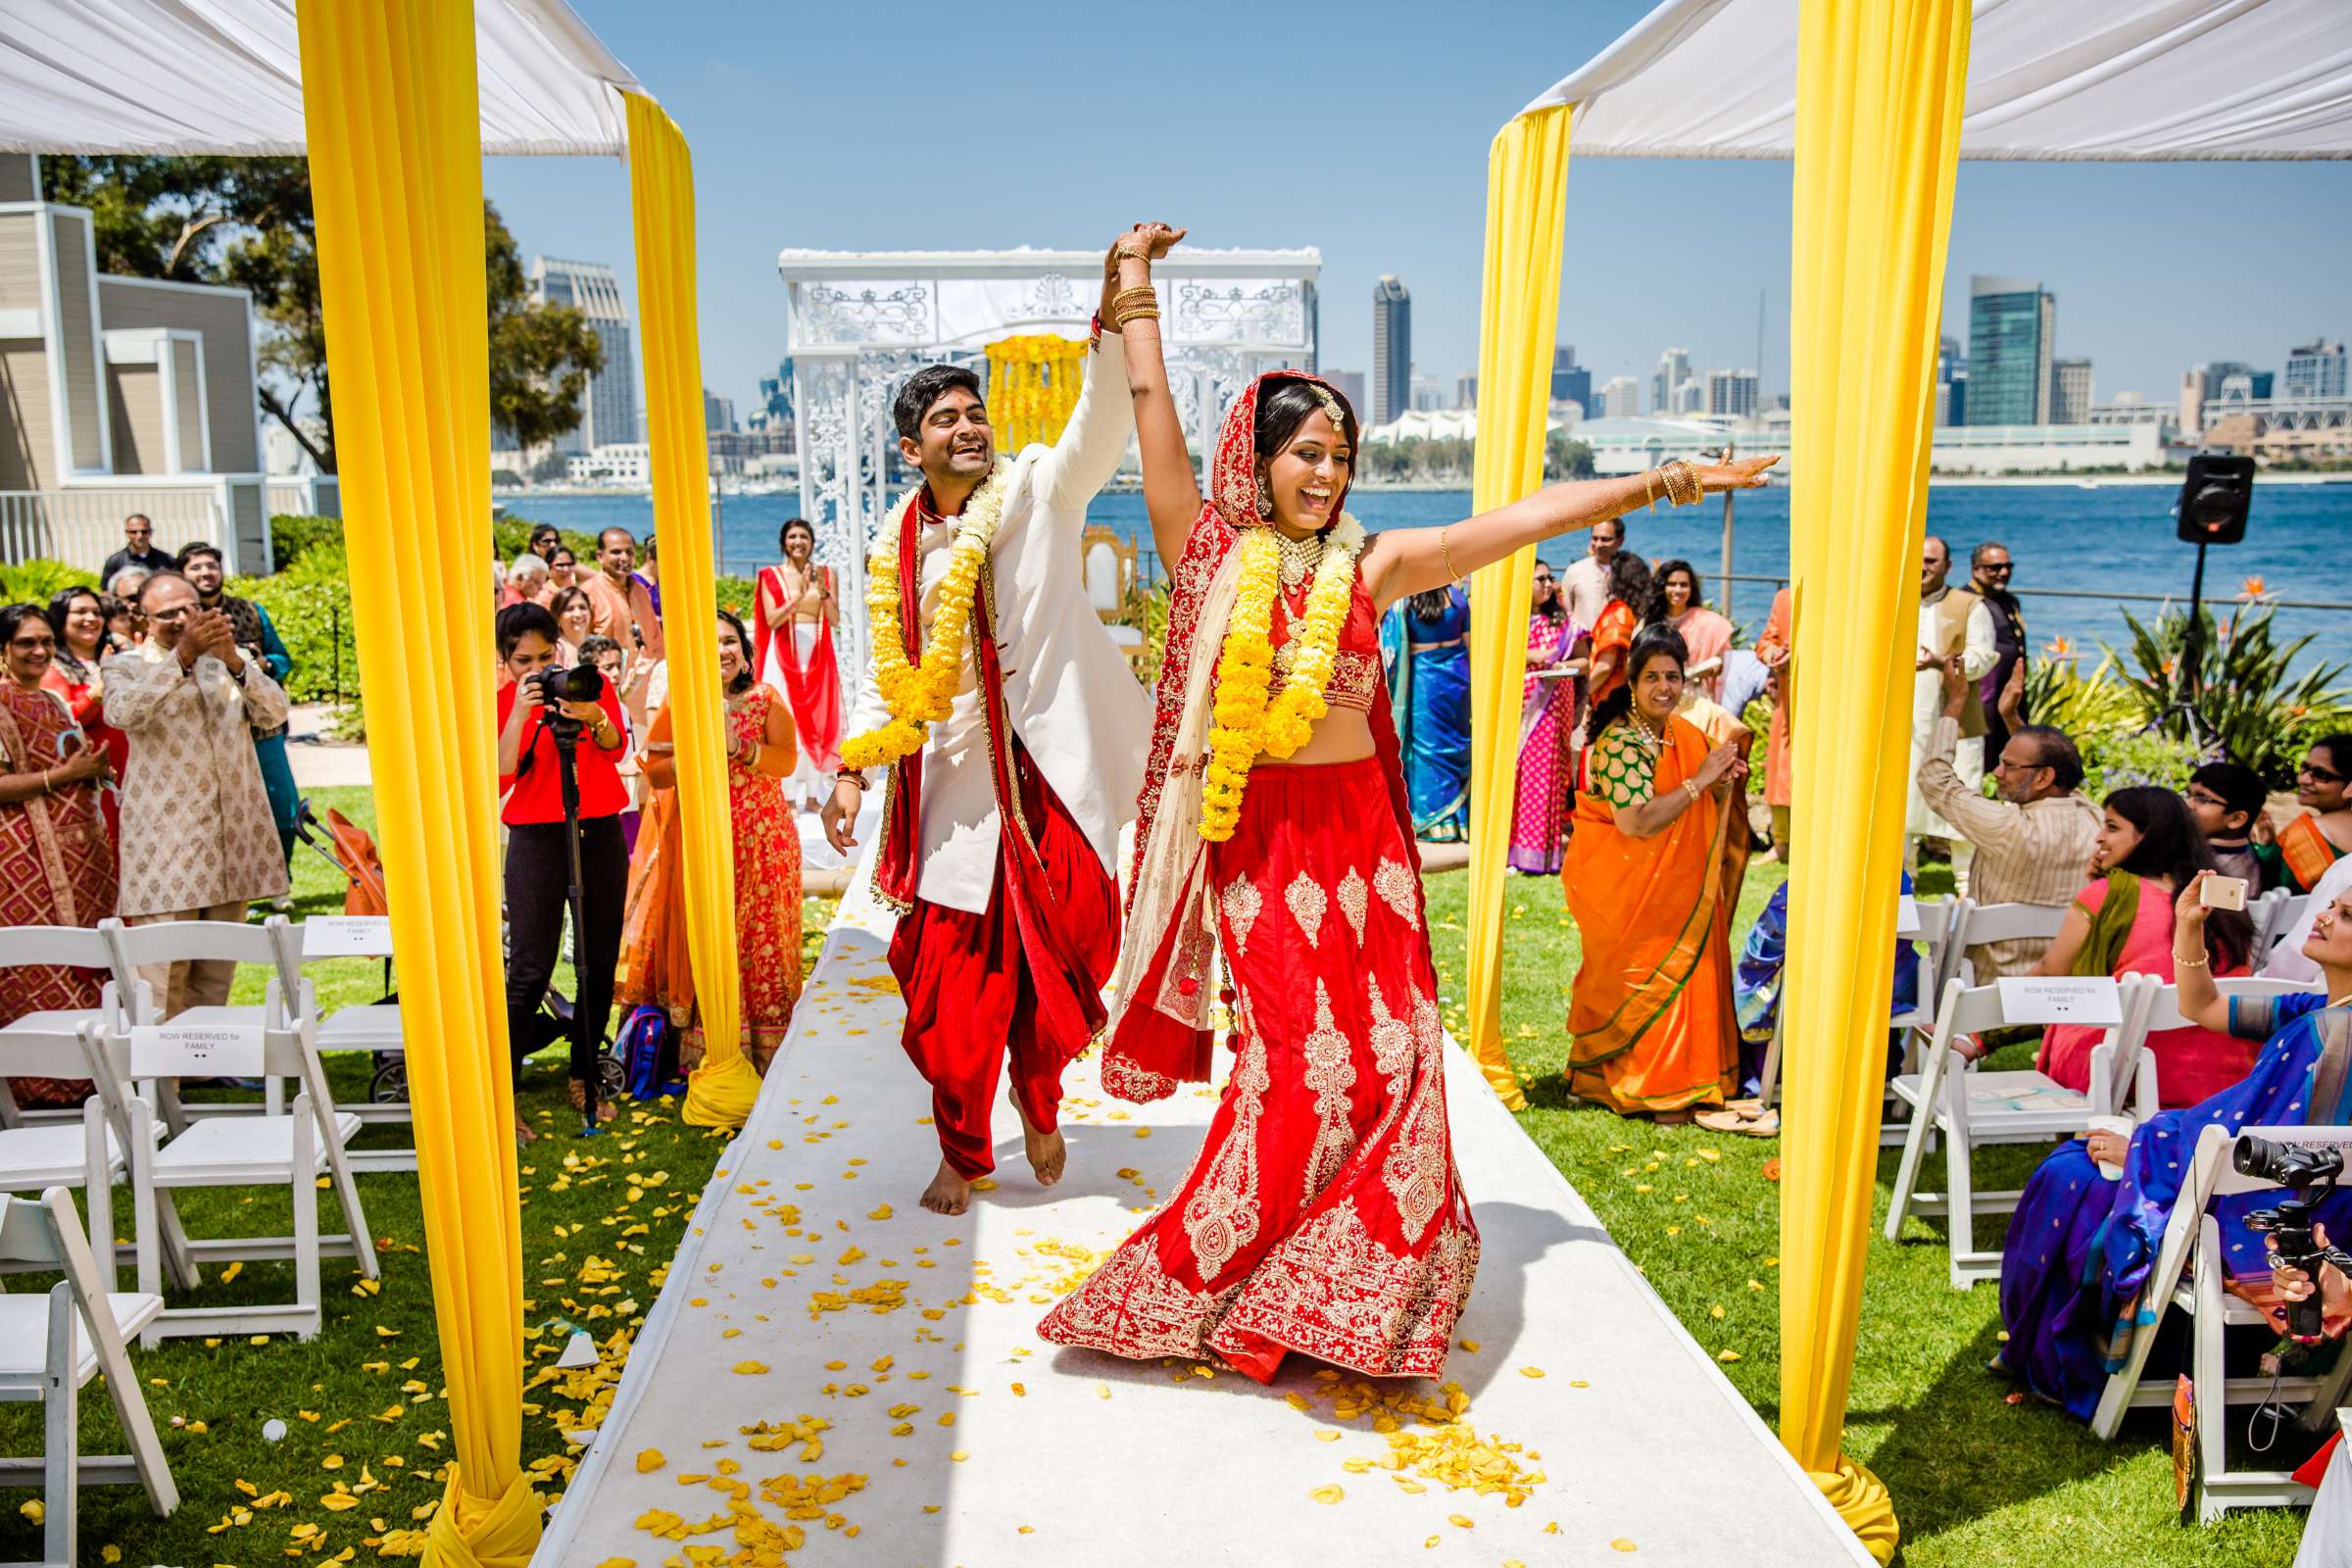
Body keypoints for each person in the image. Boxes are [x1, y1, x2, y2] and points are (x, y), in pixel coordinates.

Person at [1043, 222, 1776, 1383]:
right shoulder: (1206, 552)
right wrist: (1132, 287)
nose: (1328, 473)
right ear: (1259, 459)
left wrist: (1665, 481)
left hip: (1362, 845)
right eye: (1307, 454)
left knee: (1398, 1049)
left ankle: (1357, 1283)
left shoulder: (1371, 567)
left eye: (1342, 453)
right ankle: (1241, 1268)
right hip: (1261, 846)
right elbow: (1151, 408)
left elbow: (1523, 520)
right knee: (1296, 1063)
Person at [819, 241, 1149, 1223]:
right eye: (943, 419)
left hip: (1049, 789)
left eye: (975, 412)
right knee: (948, 1004)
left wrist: (1115, 304)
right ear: (910, 449)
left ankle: (1038, 1101)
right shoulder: (893, 552)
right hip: (954, 805)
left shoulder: (1042, 490)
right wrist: (849, 768)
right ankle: (964, 1153)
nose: (967, 427)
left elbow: (1104, 420)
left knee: (1065, 967)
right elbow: (887, 682)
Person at [1995, 874, 2352, 1422]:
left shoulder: (2325, 1035)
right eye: (2331, 905)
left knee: (2073, 1174)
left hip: (2273, 1220)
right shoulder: (2320, 1011)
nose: (2323, 917)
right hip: (2322, 1210)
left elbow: (2244, 1143)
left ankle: (2056, 1358)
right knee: (2084, 1164)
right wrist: (2189, 927)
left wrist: (2142, 1145)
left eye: (2345, 916)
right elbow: (2202, 1006)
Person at [1561, 624, 1750, 1120]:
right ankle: (1636, 1081)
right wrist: (1698, 781)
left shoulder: (1681, 735)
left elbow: (1706, 798)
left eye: (1673, 676)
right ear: (1632, 681)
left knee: (1687, 972)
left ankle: (1685, 1080)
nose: (1664, 686)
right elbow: (1636, 821)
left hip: (1678, 889)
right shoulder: (1621, 743)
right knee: (1635, 976)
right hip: (1628, 891)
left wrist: (1723, 780)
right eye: (1652, 677)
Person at [103, 572, 289, 1017]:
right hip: (168, 843)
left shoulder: (229, 660)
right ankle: (163, 1079)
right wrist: (182, 658)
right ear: (142, 619)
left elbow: (275, 712)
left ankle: (206, 1064)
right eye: (168, 614)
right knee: (165, 966)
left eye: (191, 609)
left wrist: (237, 663)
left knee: (218, 963)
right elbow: (121, 712)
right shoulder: (125, 665)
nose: (183, 620)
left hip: (233, 838)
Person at [626, 608, 804, 1072]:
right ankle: (714, 1052)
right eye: (709, 643)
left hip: (763, 842)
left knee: (761, 942)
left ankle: (770, 1057)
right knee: (713, 939)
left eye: (728, 641)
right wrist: (689, 760)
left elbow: (787, 762)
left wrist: (736, 748)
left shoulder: (765, 698)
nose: (720, 651)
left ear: (744, 655)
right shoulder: (683, 703)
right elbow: (656, 771)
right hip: (703, 842)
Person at [2031, 786, 2257, 1106]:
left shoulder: (2109, 894)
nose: (2099, 838)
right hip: (2227, 1070)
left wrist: (1980, 1031)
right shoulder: (2217, 892)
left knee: (2069, 1017)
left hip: (2132, 1063)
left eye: (2111, 827)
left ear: (2147, 836)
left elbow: (2052, 973)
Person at [495, 602, 630, 1127]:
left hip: (598, 828)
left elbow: (617, 747)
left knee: (596, 962)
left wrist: (594, 715)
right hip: (535, 835)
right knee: (530, 965)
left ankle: (584, 1076)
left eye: (545, 655)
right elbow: (502, 769)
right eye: (523, 660)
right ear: (505, 661)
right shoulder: (507, 702)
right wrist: (520, 712)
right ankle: (503, 1093)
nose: (536, 668)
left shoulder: (586, 686)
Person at [1917, 655, 2102, 979]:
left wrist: (1956, 702)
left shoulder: (2007, 827)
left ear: (2043, 778)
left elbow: (1935, 779)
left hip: (1989, 990)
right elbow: (2060, 775)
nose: (1998, 772)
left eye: (2009, 766)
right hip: (2063, 986)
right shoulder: (2096, 820)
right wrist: (2011, 719)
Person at [0, 603, 116, 1106]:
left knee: (87, 954)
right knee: (37, 959)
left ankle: (90, 1072)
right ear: (3, 648)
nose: (40, 651)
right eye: (26, 642)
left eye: (46, 641)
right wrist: (62, 778)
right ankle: (40, 1082)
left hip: (79, 853)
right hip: (22, 856)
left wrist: (91, 772)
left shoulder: (50, 697)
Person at [179, 543, 298, 869]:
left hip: (261, 725)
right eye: (196, 567)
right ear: (183, 573)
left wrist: (264, 664)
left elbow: (282, 659)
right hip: (210, 730)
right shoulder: (180, 619)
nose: (205, 573)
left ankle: (280, 881)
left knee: (282, 806)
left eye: (211, 566)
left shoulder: (250, 610)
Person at [1908, 535, 1996, 887]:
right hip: (1905, 724)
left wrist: (1938, 661)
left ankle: (1965, 880)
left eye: (1931, 561)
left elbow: (1982, 657)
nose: (1923, 567)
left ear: (1947, 566)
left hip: (1957, 721)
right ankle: (1904, 877)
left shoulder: (1969, 605)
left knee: (1963, 796)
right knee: (1902, 800)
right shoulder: (1894, 601)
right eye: (1918, 560)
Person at [753, 517, 844, 809]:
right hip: (783, 655)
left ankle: (815, 795)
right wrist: (800, 594)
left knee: (818, 723)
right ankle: (789, 797)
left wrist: (821, 590)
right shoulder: (771, 575)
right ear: (784, 542)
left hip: (816, 656)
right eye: (792, 536)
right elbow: (772, 619)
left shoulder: (826, 574)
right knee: (786, 722)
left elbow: (834, 618)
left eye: (803, 536)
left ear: (811, 541)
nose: (798, 542)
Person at [1381, 583, 1472, 842]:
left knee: (1426, 748)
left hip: (1425, 677)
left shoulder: (1406, 601)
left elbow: (1392, 646)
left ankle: (1432, 821)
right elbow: (1469, 643)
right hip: (1457, 675)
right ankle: (1459, 821)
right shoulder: (1457, 598)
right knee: (1456, 741)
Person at [1509, 560, 1581, 875]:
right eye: (1540, 578)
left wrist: (1564, 666)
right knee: (1516, 779)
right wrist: (1528, 655)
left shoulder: (1563, 622)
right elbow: (1492, 655)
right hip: (1516, 708)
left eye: (1551, 578)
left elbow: (1585, 660)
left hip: (1551, 709)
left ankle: (1542, 856)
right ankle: (1512, 853)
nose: (1548, 584)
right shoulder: (1510, 621)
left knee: (1546, 777)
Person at [40, 586, 125, 841]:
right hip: (92, 774)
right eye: (80, 612)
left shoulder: (115, 659)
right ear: (60, 619)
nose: (91, 619)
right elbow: (63, 723)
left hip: (129, 768)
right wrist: (96, 692)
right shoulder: (52, 667)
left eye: (96, 612)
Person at [2254, 734, 2352, 896]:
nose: (2303, 779)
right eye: (2305, 768)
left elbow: (2267, 887)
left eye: (2321, 774)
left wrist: (2261, 848)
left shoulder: (2305, 833)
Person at [1970, 542, 2027, 774]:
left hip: (2011, 692)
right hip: (1983, 695)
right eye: (1994, 567)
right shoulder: (1967, 601)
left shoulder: (2010, 601)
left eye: (2007, 566)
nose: (2003, 572)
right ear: (1976, 569)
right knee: (1983, 753)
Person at [1643, 559, 1734, 702]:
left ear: (1692, 588)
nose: (1678, 590)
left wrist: (1700, 671)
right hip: (1656, 696)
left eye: (1683, 585)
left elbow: (1721, 664)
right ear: (1662, 587)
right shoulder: (1648, 622)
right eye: (1672, 584)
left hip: (1694, 698)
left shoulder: (1709, 622)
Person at [1581, 550, 1651, 719]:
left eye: (1608, 572)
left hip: (1608, 700)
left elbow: (1605, 666)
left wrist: (1581, 695)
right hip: (1624, 698)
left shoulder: (1618, 615)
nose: (1604, 577)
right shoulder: (1632, 612)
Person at [581, 527, 665, 664]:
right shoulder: (589, 592)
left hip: (645, 679)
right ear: (600, 556)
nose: (624, 558)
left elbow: (656, 641)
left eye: (629, 552)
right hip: (608, 681)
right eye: (616, 552)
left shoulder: (640, 590)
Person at [2185, 760, 2269, 893]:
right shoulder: (2239, 853)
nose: (2187, 804)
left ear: (2236, 819)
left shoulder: (2226, 875)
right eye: (2188, 795)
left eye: (2202, 799)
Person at [2269, 856, 2352, 986]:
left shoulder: (2346, 871)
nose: (2321, 915)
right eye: (2330, 906)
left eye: (2348, 915)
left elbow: (2296, 960)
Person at [1755, 586, 1794, 860]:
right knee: (1780, 768)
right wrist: (1773, 654)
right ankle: (1781, 843)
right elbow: (1766, 641)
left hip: (1830, 701)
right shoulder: (1785, 598)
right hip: (1789, 700)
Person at [1559, 514, 1623, 631]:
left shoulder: (1629, 572)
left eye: (1605, 539)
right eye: (1595, 538)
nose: (1598, 544)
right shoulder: (1575, 571)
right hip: (1583, 646)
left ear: (1620, 541)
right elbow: (1566, 612)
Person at [99, 514, 175, 587]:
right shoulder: (115, 560)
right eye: (133, 532)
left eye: (144, 532)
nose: (139, 536)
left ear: (151, 532)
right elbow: (105, 591)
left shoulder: (165, 559)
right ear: (127, 533)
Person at [548, 586, 594, 667]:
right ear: (557, 617)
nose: (578, 614)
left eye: (582, 607)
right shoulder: (553, 651)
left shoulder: (600, 644)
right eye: (569, 609)